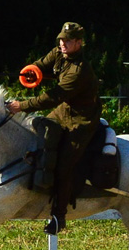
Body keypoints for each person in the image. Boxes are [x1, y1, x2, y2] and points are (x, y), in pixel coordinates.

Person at [5, 22, 102, 235]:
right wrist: (31, 72)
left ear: (79, 42)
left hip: (82, 119)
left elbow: (53, 97)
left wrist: (21, 106)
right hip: (63, 110)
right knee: (38, 133)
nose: (63, 43)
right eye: (61, 39)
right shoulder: (58, 53)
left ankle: (59, 215)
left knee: (64, 164)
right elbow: (40, 65)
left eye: (67, 41)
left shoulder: (80, 70)